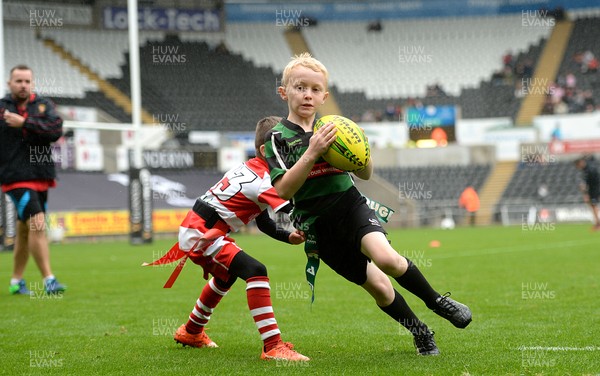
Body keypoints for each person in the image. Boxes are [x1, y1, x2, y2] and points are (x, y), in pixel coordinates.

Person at [264, 53, 472, 356]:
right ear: (284, 92)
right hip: (318, 226)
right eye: (299, 87)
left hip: (351, 206)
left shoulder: (335, 127)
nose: (307, 94)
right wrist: (312, 153)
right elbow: (283, 190)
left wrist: (361, 152)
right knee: (381, 288)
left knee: (387, 259)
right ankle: (421, 332)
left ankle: (437, 301)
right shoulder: (276, 138)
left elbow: (364, 172)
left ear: (324, 96)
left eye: (314, 89)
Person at [147, 116, 309, 362]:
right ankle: (273, 346)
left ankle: (191, 331)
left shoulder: (250, 168)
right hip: (203, 232)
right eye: (284, 146)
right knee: (256, 271)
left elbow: (263, 221)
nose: (291, 152)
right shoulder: (265, 180)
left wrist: (289, 237)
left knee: (227, 275)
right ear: (266, 150)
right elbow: (295, 210)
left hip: (199, 229)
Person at [0, 64, 66, 295]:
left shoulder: (43, 105)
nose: (23, 85)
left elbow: (55, 130)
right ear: (10, 84)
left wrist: (24, 123)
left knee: (24, 230)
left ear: (32, 83)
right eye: (18, 81)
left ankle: (16, 281)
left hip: (41, 175)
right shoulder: (1, 108)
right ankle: (50, 279)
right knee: (37, 223)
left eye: (27, 81)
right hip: (15, 177)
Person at [574, 156, 600, 230]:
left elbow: (586, 184)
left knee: (593, 206)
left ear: (580, 163)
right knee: (593, 206)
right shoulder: (588, 169)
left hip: (595, 190)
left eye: (577, 165)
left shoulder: (588, 170)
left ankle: (598, 224)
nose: (578, 167)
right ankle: (598, 223)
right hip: (594, 190)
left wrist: (586, 193)